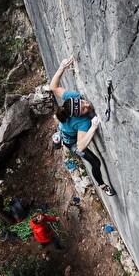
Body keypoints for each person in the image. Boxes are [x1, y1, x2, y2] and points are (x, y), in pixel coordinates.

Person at [50, 57, 115, 196]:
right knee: (95, 162)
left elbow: (53, 87)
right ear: (79, 115)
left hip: (66, 130)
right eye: (84, 109)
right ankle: (102, 185)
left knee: (65, 131)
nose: (87, 105)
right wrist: (93, 127)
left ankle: (58, 137)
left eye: (83, 103)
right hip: (71, 142)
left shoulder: (73, 98)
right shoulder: (83, 122)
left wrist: (62, 67)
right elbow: (80, 146)